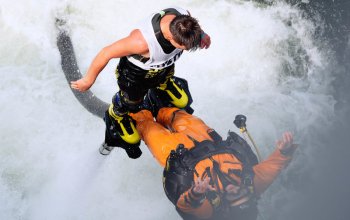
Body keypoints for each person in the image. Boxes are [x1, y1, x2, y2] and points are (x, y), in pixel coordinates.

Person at [70, 7, 211, 155]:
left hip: (162, 68)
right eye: (184, 47)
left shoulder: (184, 19)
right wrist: (88, 80)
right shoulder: (141, 42)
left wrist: (202, 34)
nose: (187, 50)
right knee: (131, 102)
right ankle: (116, 114)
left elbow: (192, 23)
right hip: (135, 75)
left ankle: (164, 84)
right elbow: (106, 53)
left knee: (172, 84)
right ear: (170, 38)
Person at [130, 107, 298, 220]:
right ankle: (158, 102)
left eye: (233, 196)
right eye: (242, 192)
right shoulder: (253, 184)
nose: (235, 189)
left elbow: (186, 208)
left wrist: (196, 192)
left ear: (226, 206)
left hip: (177, 154)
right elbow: (275, 166)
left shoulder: (209, 210)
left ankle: (132, 112)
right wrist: (284, 151)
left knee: (146, 127)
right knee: (175, 114)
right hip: (207, 140)